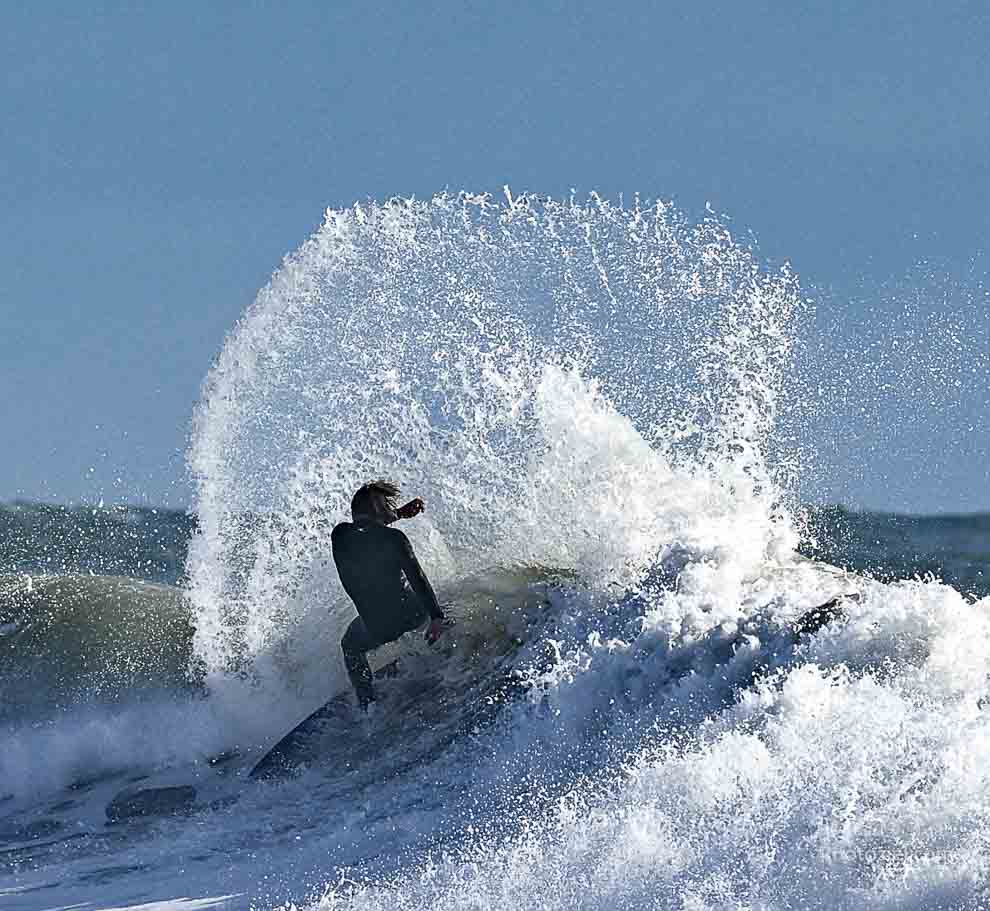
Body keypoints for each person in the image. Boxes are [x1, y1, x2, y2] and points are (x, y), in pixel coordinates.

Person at [331, 480, 446, 708]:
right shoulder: (395, 539)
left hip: (377, 627)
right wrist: (436, 616)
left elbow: (367, 529)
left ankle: (367, 704)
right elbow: (417, 578)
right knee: (443, 602)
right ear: (376, 506)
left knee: (350, 646)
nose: (390, 509)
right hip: (412, 613)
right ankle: (446, 646)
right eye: (386, 504)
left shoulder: (340, 536)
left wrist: (397, 514)